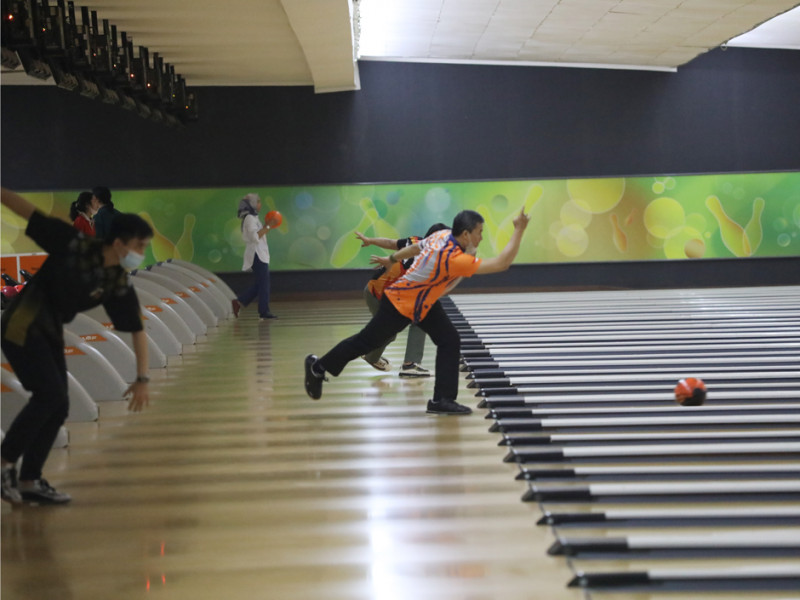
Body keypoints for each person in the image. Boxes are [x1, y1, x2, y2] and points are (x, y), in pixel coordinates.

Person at [0, 187, 153, 505]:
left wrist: (142, 379)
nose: (141, 252)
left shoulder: (115, 280)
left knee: (59, 404)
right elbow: (26, 210)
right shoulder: (72, 243)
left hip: (49, 332)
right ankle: (4, 464)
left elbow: (137, 329)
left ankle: (29, 480)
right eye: (139, 245)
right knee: (49, 395)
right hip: (22, 325)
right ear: (119, 243)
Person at [304, 207, 530, 415]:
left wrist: (391, 258)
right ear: (465, 234)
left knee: (449, 339)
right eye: (479, 232)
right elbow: (501, 263)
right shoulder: (452, 258)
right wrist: (519, 229)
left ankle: (442, 400)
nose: (481, 237)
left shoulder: (442, 235)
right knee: (366, 341)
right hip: (401, 303)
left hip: (423, 302)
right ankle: (317, 367)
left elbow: (413, 248)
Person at [355, 222, 449, 377]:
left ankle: (372, 355)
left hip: (374, 290)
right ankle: (409, 365)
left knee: (391, 331)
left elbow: (390, 243)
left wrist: (370, 240)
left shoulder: (414, 241)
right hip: (380, 295)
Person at [231, 193, 279, 320]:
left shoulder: (253, 218)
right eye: (258, 202)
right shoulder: (249, 219)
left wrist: (267, 225)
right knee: (264, 284)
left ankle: (239, 302)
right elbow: (255, 237)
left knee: (260, 284)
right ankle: (264, 311)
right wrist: (268, 226)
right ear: (251, 204)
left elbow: (259, 233)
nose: (260, 204)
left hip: (260, 254)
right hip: (256, 254)